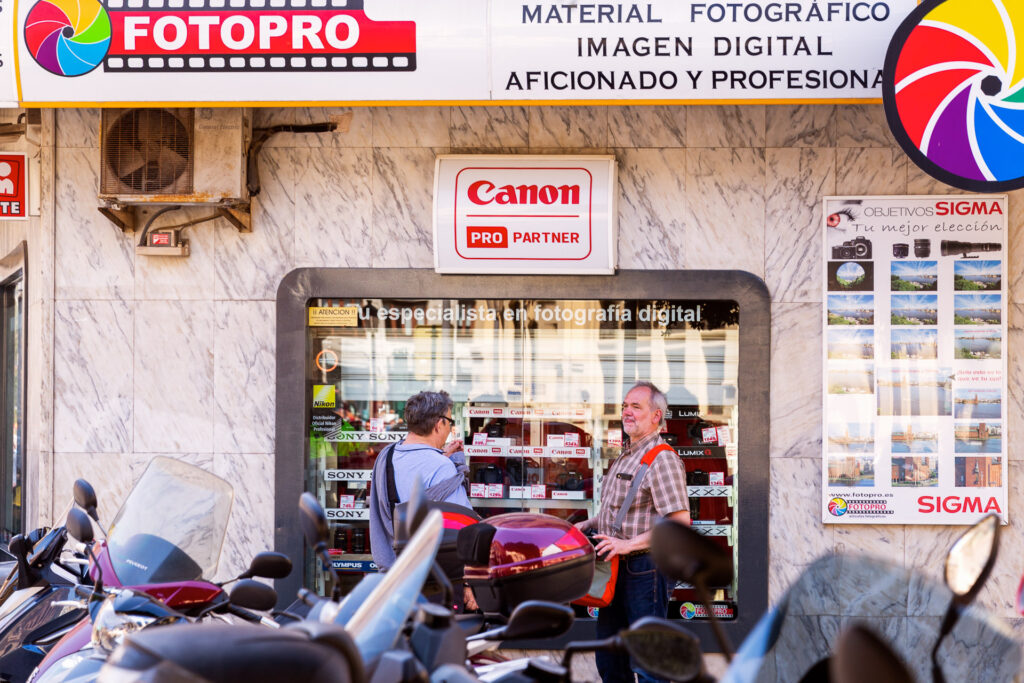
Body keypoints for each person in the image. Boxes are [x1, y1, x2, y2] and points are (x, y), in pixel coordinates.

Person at [576, 381, 691, 683]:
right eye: (625, 405)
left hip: (645, 571)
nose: (627, 411)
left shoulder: (662, 459)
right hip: (615, 568)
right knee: (610, 659)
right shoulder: (627, 455)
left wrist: (626, 546)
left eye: (636, 406)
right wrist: (587, 525)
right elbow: (619, 512)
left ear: (656, 416)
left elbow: (679, 525)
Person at [368, 390, 471, 571]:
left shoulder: (385, 456)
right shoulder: (441, 467)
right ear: (439, 424)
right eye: (450, 423)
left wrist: (442, 457)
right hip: (432, 580)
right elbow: (462, 532)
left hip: (392, 577)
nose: (450, 430)